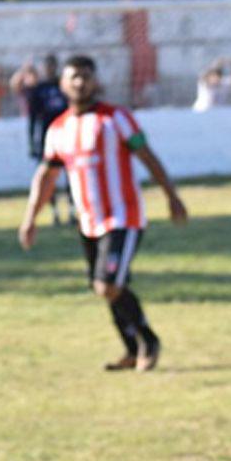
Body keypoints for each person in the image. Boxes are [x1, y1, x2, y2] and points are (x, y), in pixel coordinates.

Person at [18, 56, 188, 372]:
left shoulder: (117, 119)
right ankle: (130, 349)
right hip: (88, 222)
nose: (80, 83)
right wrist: (30, 218)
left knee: (107, 285)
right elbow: (47, 176)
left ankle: (148, 340)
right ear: (62, 85)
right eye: (74, 77)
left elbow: (147, 156)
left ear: (95, 81)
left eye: (86, 76)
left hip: (124, 218)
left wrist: (172, 197)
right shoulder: (58, 129)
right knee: (108, 287)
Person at [26, 54, 71, 225]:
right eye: (47, 65)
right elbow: (32, 118)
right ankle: (55, 213)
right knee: (48, 177)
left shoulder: (65, 86)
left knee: (71, 177)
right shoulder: (39, 89)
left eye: (52, 65)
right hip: (49, 139)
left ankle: (73, 212)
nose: (50, 69)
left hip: (68, 136)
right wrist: (32, 142)